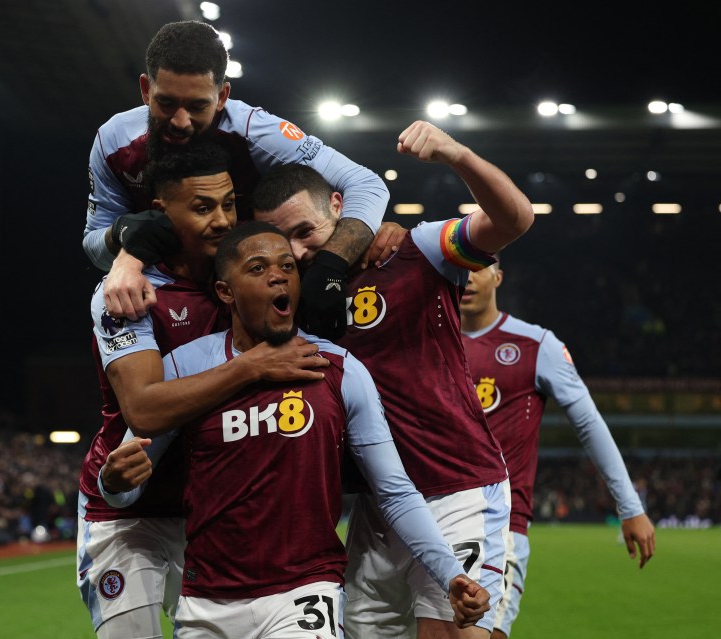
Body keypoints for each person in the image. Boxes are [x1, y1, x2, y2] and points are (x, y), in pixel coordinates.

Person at [102, 222, 491, 638]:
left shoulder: (339, 369)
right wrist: (113, 480)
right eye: (257, 268)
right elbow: (125, 485)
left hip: (304, 592)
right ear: (225, 292)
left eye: (287, 266)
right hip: (206, 601)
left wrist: (451, 573)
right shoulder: (186, 365)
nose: (277, 275)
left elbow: (394, 491)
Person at [251, 120, 535, 638]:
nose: (295, 252)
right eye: (281, 239)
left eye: (304, 232)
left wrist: (457, 154)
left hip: (457, 489)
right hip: (378, 512)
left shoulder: (417, 251)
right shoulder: (288, 301)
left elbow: (514, 219)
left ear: (339, 207)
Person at [78, 141, 328, 638]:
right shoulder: (128, 291)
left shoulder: (257, 277)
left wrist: (380, 231)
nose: (221, 220)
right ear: (160, 213)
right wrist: (253, 365)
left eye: (229, 203)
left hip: (218, 517)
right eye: (201, 207)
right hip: (131, 511)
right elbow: (145, 410)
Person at [85, 20, 387, 339]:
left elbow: (366, 184)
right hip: (164, 301)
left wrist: (330, 265)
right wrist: (122, 240)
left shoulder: (257, 132)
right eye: (167, 103)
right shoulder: (113, 140)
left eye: (198, 106)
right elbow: (94, 243)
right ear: (146, 90)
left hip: (256, 302)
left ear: (222, 96)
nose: (180, 121)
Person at [460, 259, 656, 638]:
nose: (467, 276)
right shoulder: (427, 340)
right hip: (428, 526)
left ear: (498, 276)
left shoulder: (536, 345)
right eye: (458, 265)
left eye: (478, 266)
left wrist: (630, 506)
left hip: (498, 527)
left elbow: (588, 423)